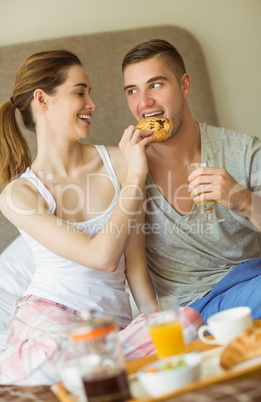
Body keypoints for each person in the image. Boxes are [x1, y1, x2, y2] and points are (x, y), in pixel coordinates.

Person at [0, 49, 161, 385]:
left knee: (187, 322)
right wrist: (134, 177)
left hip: (110, 326)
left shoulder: (120, 162)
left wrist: (158, 323)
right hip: (50, 315)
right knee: (55, 352)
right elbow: (101, 257)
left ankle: (99, 363)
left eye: (89, 93)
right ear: (42, 100)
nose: (92, 103)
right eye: (80, 92)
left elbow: (135, 266)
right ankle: (88, 363)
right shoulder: (18, 195)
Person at [122, 39, 261, 324]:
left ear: (185, 85)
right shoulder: (125, 168)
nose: (144, 103)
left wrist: (245, 201)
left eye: (155, 84)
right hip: (197, 305)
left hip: (257, 276)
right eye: (132, 90)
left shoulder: (245, 150)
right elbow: (130, 266)